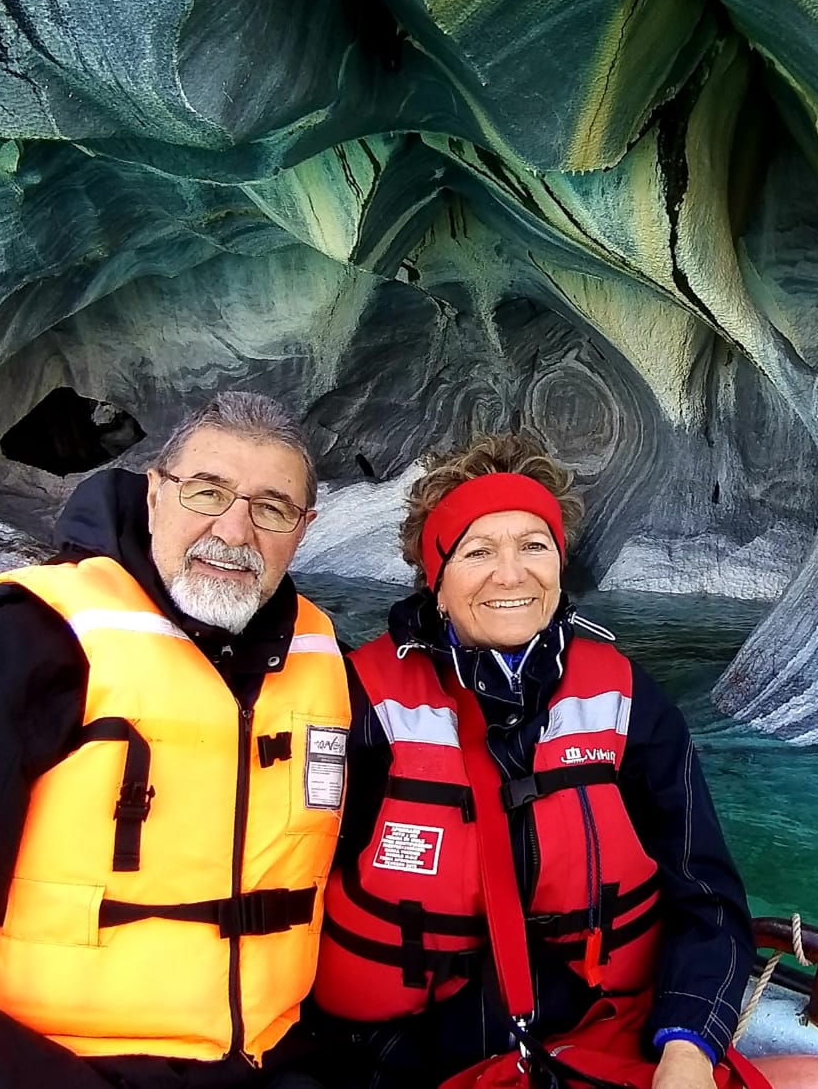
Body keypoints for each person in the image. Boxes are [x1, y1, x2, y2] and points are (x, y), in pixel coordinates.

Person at [0, 392, 349, 1089]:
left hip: (272, 1062)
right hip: (59, 1067)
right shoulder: (16, 657)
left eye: (271, 508)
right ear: (155, 494)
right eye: (207, 491)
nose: (233, 530)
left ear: (304, 528)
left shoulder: (325, 668)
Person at [309, 432, 757, 1089]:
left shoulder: (628, 702)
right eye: (478, 551)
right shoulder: (360, 705)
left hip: (594, 1038)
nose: (512, 574)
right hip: (399, 1059)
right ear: (436, 581)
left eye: (533, 545)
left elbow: (707, 896)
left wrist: (688, 1050)